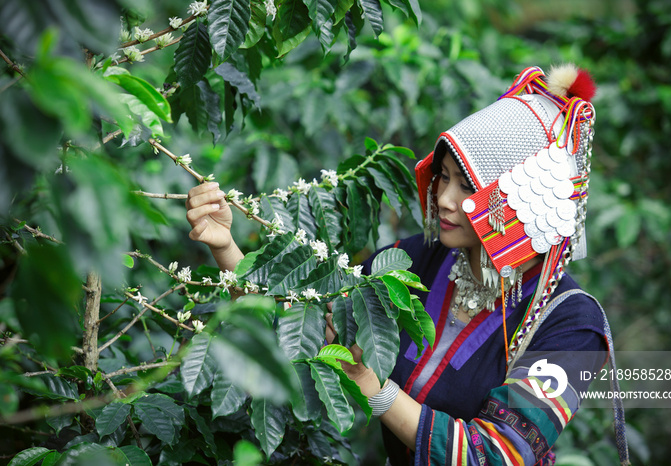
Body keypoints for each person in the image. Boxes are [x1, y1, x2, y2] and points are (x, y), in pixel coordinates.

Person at [186, 65, 629, 466]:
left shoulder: (573, 322)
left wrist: (374, 390)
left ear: (520, 201)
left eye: (468, 185)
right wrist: (226, 249)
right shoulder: (414, 260)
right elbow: (302, 333)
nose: (443, 199)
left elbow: (496, 455)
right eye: (445, 177)